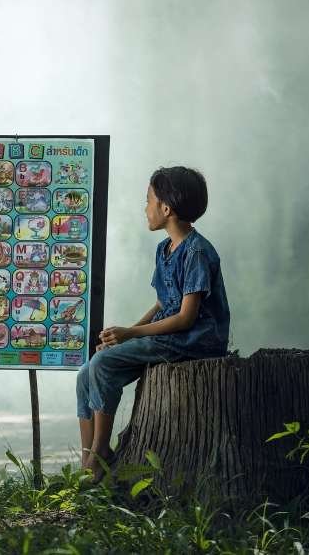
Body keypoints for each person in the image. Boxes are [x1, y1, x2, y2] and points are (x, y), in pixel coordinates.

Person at [75, 166, 230, 481]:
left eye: (148, 200)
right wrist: (122, 336)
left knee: (103, 364)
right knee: (85, 373)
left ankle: (100, 454)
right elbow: (162, 302)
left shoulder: (197, 252)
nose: (145, 208)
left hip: (194, 340)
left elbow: (186, 318)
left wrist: (130, 333)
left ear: (166, 208)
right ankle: (87, 458)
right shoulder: (164, 249)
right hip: (169, 336)